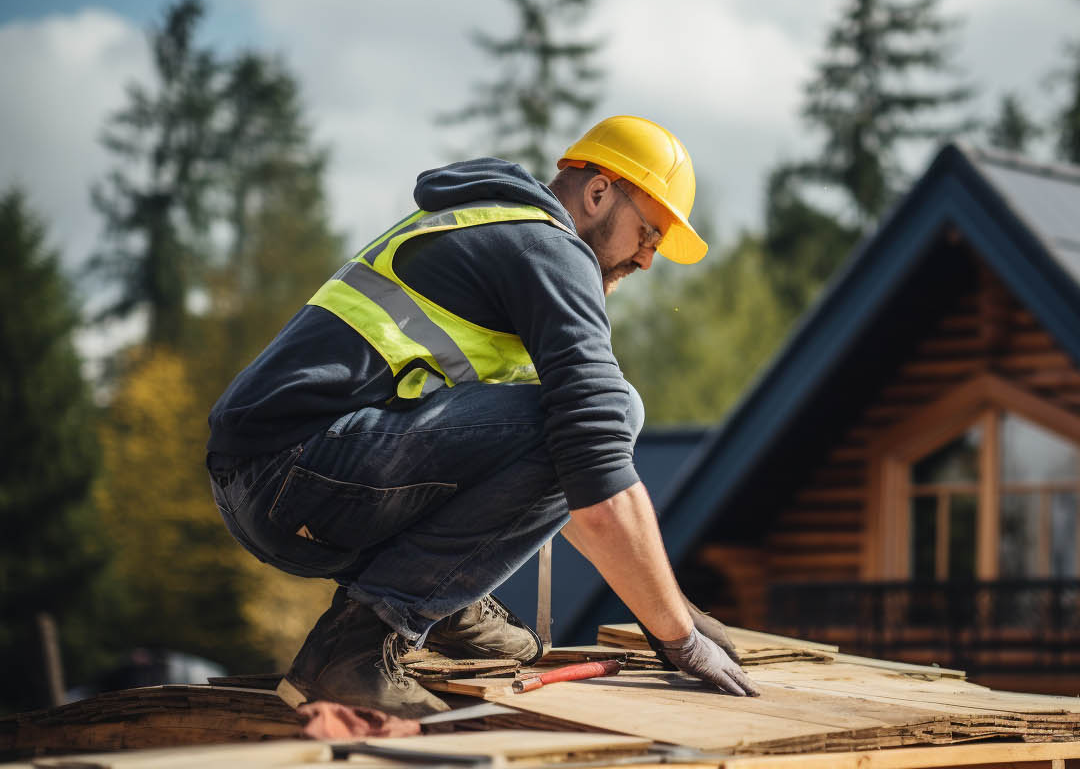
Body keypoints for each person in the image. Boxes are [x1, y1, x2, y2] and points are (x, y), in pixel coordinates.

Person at [205, 115, 759, 716]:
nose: (647, 261)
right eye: (647, 233)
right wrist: (676, 635)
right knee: (613, 409)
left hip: (270, 476)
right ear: (600, 192)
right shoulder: (547, 247)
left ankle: (444, 602)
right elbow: (591, 465)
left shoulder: (493, 228)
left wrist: (665, 604)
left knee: (577, 421)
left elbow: (540, 479)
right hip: (300, 469)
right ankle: (355, 649)